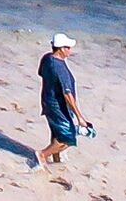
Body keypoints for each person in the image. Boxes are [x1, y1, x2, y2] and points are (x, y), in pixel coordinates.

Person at [35, 35, 87, 166]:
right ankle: (42, 155)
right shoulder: (60, 68)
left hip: (47, 101)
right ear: (60, 49)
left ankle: (56, 159)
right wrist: (79, 117)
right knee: (67, 138)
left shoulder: (47, 58)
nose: (70, 51)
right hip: (58, 106)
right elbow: (67, 94)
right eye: (68, 48)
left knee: (56, 133)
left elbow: (41, 73)